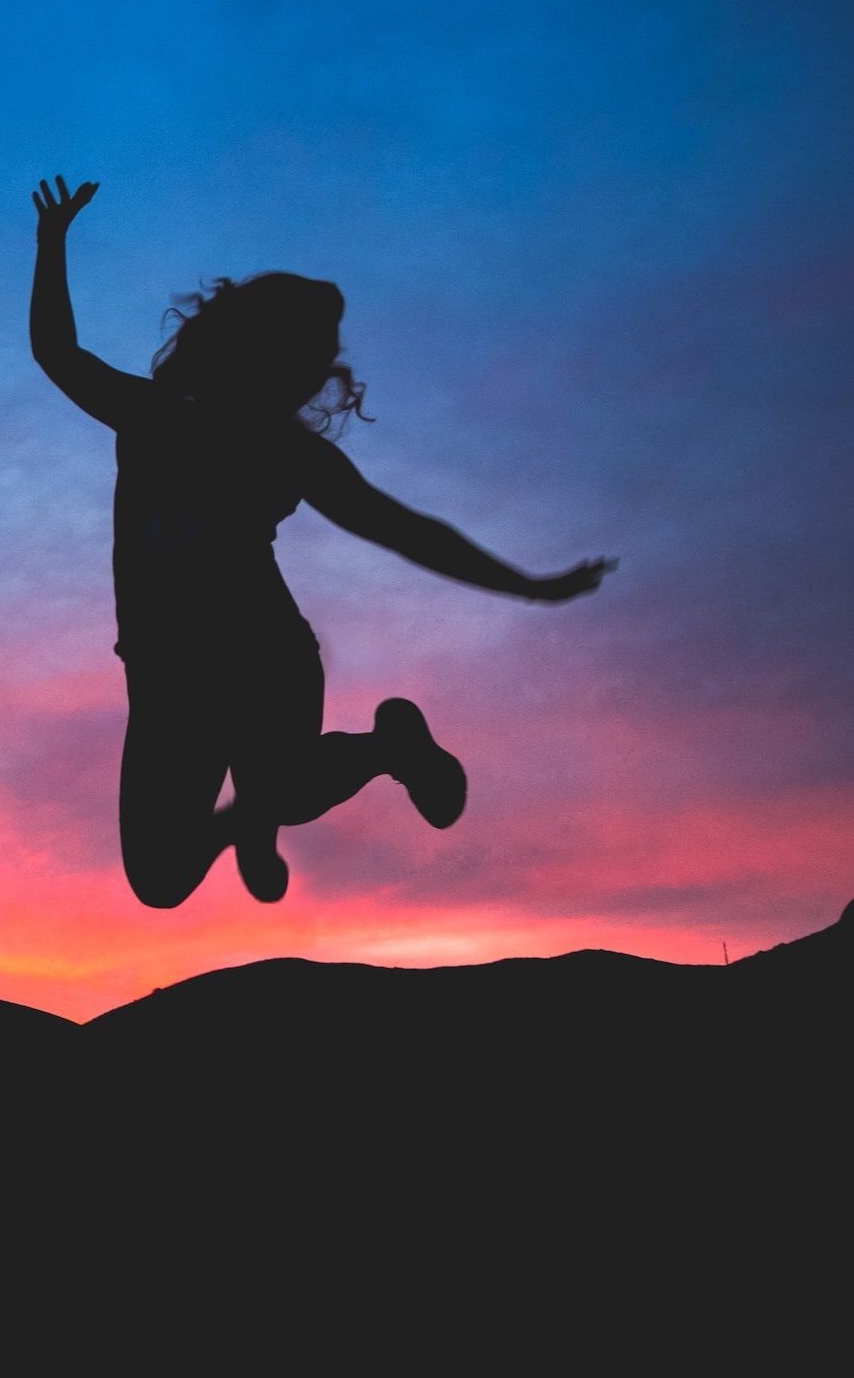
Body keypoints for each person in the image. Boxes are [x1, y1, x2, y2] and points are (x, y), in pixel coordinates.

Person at [30, 175, 615, 905]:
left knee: (287, 787)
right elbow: (57, 352)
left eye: (315, 362)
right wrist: (51, 243)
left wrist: (528, 586)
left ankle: (385, 751)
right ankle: (251, 821)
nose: (312, 378)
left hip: (261, 652)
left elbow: (403, 529)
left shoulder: (289, 453)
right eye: (305, 358)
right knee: (160, 878)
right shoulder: (153, 412)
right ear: (254, 350)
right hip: (164, 670)